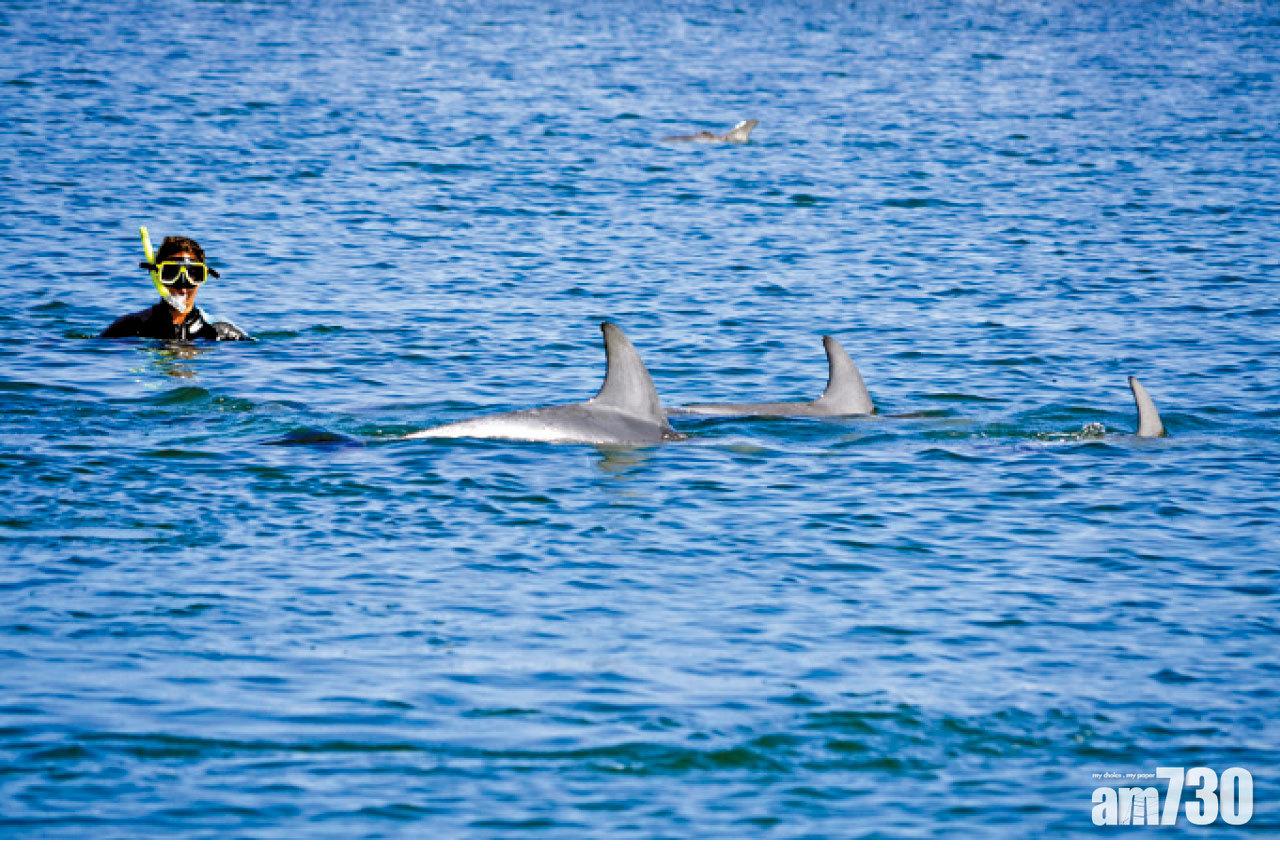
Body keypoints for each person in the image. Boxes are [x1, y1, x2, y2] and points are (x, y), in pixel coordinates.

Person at [101, 235, 250, 341]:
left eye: (194, 275)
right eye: (171, 274)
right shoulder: (129, 327)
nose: (183, 289)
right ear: (157, 276)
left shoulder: (221, 331)